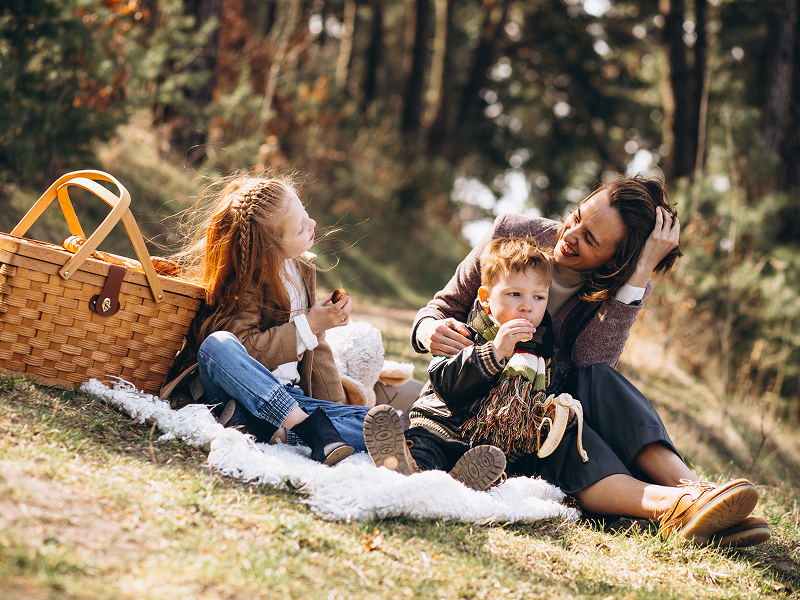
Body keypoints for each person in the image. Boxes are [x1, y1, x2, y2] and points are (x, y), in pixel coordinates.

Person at [403, 175, 770, 547]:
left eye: (590, 239)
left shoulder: (623, 286)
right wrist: (428, 329)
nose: (570, 235)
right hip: (484, 400)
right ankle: (680, 504)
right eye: (576, 216)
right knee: (565, 428)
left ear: (618, 260)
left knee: (595, 385)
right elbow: (441, 305)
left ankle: (695, 492)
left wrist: (637, 275)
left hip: (543, 408)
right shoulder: (511, 235)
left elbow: (590, 365)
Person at [159, 174, 371, 465]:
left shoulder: (301, 270)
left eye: (306, 215)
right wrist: (309, 326)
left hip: (286, 398)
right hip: (239, 388)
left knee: (377, 421)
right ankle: (309, 429)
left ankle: (269, 429)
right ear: (270, 247)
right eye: (300, 228)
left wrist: (333, 405)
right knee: (217, 345)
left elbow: (316, 353)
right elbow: (241, 351)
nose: (312, 225)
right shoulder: (246, 280)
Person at [365, 237, 587, 491]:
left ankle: (463, 484)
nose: (527, 307)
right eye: (515, 294)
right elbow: (443, 383)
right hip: (440, 427)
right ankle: (406, 467)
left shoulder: (542, 357)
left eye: (539, 297)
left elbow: (528, 409)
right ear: (485, 298)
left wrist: (555, 415)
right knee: (425, 449)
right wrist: (493, 352)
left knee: (494, 463)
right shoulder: (463, 334)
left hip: (485, 448)